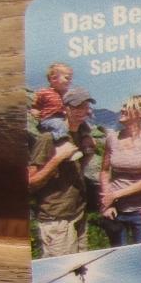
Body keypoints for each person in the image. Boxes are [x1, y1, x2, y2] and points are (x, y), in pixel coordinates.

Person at [28, 87, 97, 257]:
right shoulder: (47, 139)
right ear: (66, 108)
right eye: (78, 107)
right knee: (63, 270)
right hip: (56, 218)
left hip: (78, 214)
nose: (83, 111)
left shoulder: (81, 135)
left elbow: (76, 171)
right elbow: (30, 182)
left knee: (82, 268)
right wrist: (57, 158)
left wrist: (89, 154)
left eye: (86, 107)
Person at [100, 95, 141, 246]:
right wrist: (108, 204)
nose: (122, 109)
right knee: (118, 255)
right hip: (114, 210)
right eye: (123, 106)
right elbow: (104, 171)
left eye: (127, 107)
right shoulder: (112, 138)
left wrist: (114, 195)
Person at [30, 62, 82, 159]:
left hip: (62, 118)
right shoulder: (44, 92)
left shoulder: (66, 94)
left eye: (70, 79)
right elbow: (36, 105)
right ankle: (63, 145)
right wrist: (35, 110)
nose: (70, 81)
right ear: (54, 79)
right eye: (67, 78)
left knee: (72, 125)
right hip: (49, 118)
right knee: (60, 125)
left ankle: (78, 144)